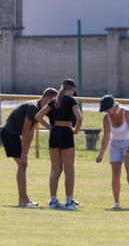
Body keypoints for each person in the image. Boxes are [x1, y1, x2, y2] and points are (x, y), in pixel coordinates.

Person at [0, 88, 58, 207]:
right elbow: (25, 130)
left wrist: (50, 127)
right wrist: (24, 153)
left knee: (23, 164)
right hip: (9, 134)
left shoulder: (39, 109)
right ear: (47, 98)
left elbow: (31, 131)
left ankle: (25, 199)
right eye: (52, 101)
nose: (53, 105)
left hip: (14, 135)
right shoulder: (33, 108)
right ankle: (23, 200)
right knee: (22, 164)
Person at [35, 78, 83, 210]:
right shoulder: (72, 101)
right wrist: (75, 130)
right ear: (72, 90)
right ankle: (68, 202)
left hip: (55, 134)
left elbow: (38, 116)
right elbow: (79, 118)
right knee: (69, 170)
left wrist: (50, 127)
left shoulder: (54, 101)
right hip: (66, 133)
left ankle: (53, 201)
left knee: (56, 170)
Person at [95, 95, 129, 209]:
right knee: (116, 174)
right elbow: (106, 137)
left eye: (108, 109)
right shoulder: (106, 118)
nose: (107, 112)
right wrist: (101, 153)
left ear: (114, 106)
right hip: (115, 145)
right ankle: (116, 202)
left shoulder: (126, 113)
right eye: (105, 110)